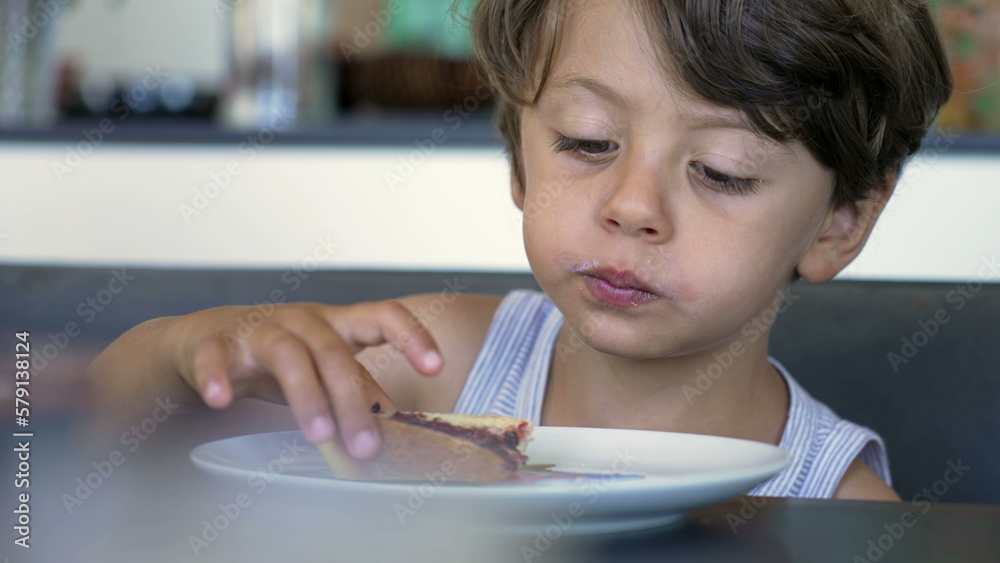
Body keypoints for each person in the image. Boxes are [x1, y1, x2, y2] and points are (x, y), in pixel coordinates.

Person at [86, 0, 953, 499]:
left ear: (840, 221)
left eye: (721, 172)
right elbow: (100, 418)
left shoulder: (840, 504)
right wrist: (186, 353)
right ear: (518, 158)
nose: (631, 208)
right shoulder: (435, 364)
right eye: (586, 141)